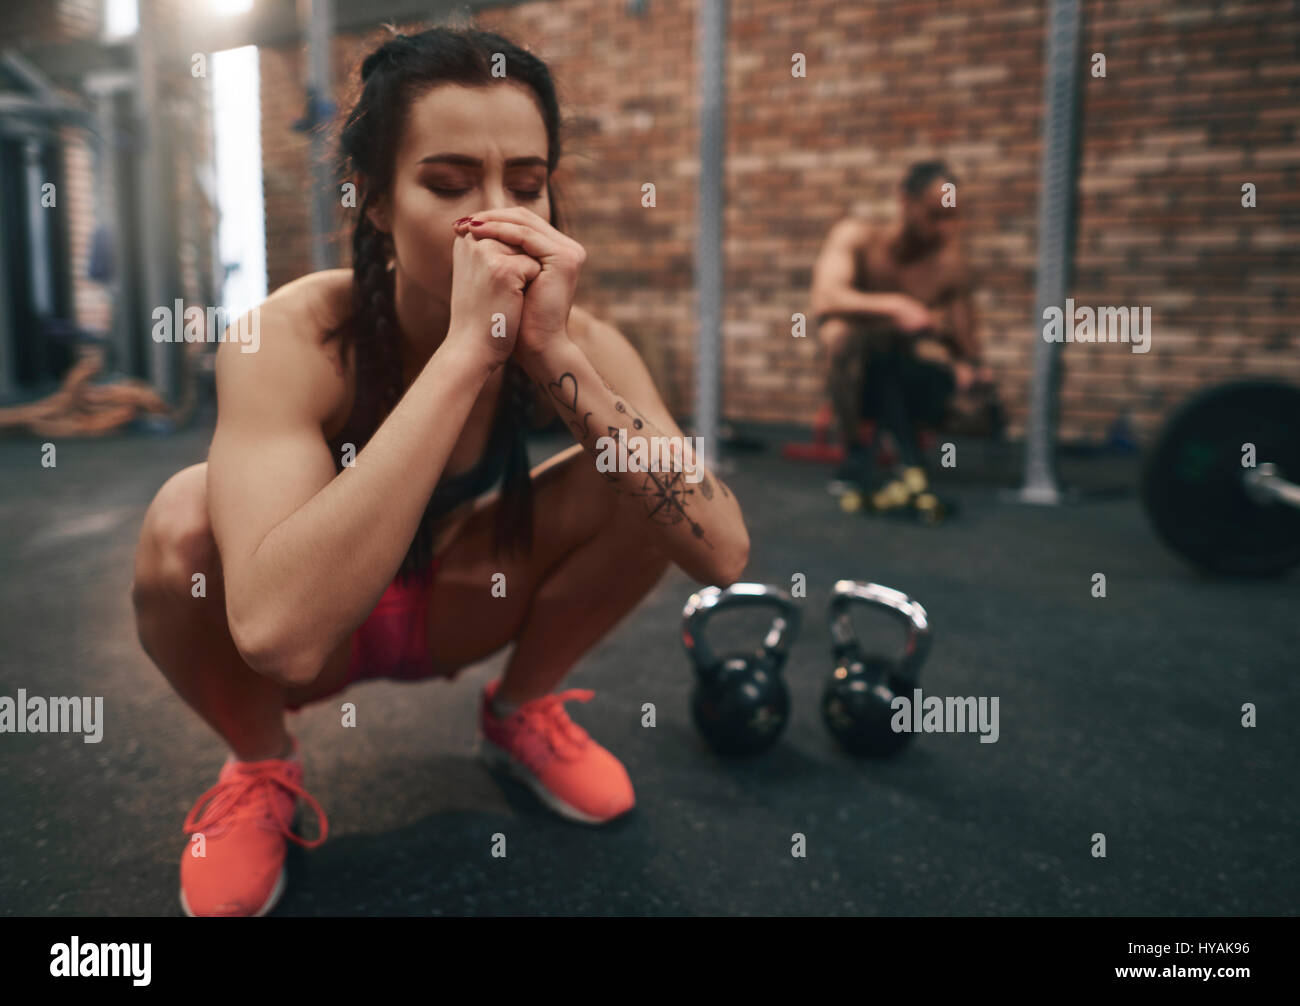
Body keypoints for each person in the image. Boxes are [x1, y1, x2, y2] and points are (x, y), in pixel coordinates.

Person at [131, 25, 749, 918]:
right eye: (450, 184)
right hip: (320, 631)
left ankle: (519, 714)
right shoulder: (290, 336)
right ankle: (261, 767)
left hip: (465, 600)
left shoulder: (581, 339)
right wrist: (466, 354)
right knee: (184, 518)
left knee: (635, 472)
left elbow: (722, 550)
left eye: (527, 187)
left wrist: (550, 357)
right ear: (375, 201)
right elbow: (281, 634)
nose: (498, 216)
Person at [810, 161, 993, 514]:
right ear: (905, 201)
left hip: (904, 368)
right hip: (854, 367)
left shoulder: (948, 265)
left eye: (952, 217)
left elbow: (966, 342)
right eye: (935, 215)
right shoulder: (857, 236)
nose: (944, 228)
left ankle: (907, 456)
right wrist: (896, 306)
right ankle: (856, 450)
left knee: (975, 403)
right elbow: (825, 298)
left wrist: (970, 369)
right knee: (841, 335)